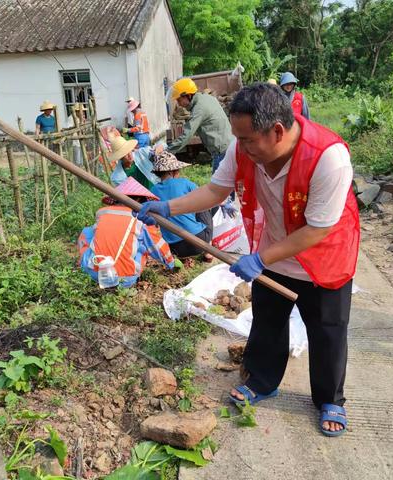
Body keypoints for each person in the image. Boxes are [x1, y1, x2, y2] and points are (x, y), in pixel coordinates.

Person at [137, 82, 360, 437]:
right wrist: (168, 207)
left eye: (247, 140)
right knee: (267, 322)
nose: (240, 148)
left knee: (327, 330)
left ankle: (330, 398)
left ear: (277, 131)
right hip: (273, 252)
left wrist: (259, 258)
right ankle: (262, 380)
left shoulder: (327, 157)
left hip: (324, 257)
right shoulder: (245, 149)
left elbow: (317, 229)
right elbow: (216, 190)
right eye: (238, 139)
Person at [77, 177, 174, 287]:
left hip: (94, 273)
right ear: (138, 200)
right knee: (143, 245)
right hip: (125, 278)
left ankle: (84, 264)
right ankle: (124, 273)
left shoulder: (102, 213)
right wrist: (171, 263)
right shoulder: (142, 218)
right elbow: (157, 246)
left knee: (89, 233)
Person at [150, 151, 213, 261]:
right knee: (204, 204)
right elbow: (205, 198)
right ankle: (209, 252)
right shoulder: (185, 183)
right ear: (172, 172)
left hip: (175, 249)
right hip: (199, 242)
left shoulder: (153, 191)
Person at [167, 78, 233, 174]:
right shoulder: (206, 98)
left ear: (188, 95)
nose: (179, 104)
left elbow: (187, 135)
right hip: (229, 147)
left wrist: (167, 151)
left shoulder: (199, 108)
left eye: (179, 100)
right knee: (227, 186)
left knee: (219, 188)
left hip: (223, 153)